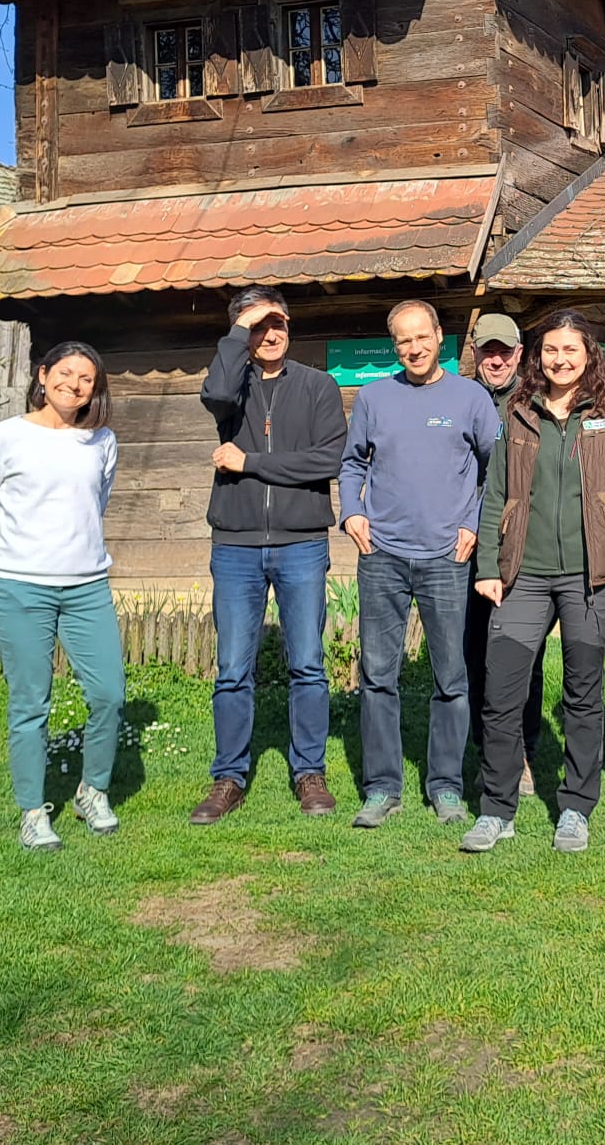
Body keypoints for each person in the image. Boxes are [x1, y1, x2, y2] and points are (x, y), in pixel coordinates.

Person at [463, 312, 605, 854]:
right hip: (524, 576)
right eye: (550, 351)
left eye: (570, 350)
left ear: (589, 354)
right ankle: (497, 809)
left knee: (582, 695)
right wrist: (490, 568)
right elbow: (496, 495)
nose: (559, 360)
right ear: (537, 357)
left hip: (591, 577)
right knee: (501, 693)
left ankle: (575, 809)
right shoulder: (519, 414)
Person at [190, 288, 349, 826]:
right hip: (235, 545)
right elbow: (214, 392)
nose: (271, 333)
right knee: (234, 668)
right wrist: (239, 331)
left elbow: (328, 458)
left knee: (307, 664)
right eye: (258, 325)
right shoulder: (232, 388)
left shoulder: (318, 385)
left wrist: (251, 462)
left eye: (278, 322)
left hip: (302, 542)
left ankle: (310, 773)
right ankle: (228, 777)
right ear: (241, 333)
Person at [339, 300, 500, 828]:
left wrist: (475, 523)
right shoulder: (374, 398)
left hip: (446, 558)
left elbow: (493, 472)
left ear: (440, 337)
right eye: (404, 341)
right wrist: (353, 513)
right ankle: (382, 787)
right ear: (394, 346)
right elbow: (351, 463)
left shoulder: (470, 397)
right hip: (380, 553)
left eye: (422, 337)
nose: (414, 348)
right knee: (378, 674)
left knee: (450, 677)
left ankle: (446, 786)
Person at [0, 342, 124, 852]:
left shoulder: (101, 441)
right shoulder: (3, 438)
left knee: (109, 695)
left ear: (95, 389)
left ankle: (92, 791)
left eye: (87, 378)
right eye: (66, 373)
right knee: (30, 702)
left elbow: (96, 503)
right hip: (18, 587)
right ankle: (33, 811)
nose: (74, 384)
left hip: (86, 587)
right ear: (43, 374)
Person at [461, 312, 546, 795]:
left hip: (521, 549)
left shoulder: (533, 401)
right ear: (475, 351)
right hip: (469, 547)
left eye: (505, 351)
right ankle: (486, 751)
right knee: (474, 655)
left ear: (519, 353)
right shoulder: (458, 397)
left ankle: (524, 753)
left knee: (521, 655)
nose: (496, 359)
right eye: (487, 350)